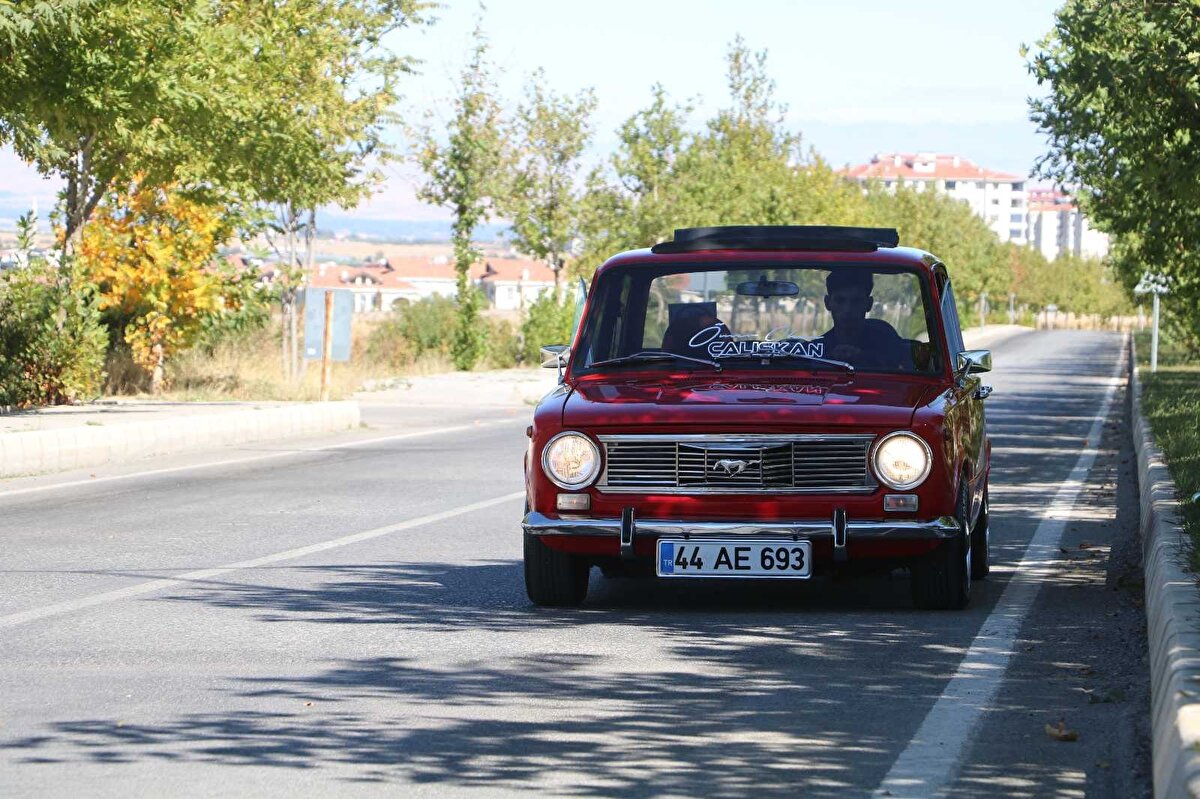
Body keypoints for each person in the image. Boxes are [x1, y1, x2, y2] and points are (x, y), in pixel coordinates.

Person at [814, 270, 909, 370]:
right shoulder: (815, 351)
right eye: (840, 301)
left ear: (869, 304)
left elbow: (902, 366)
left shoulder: (886, 339)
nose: (847, 309)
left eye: (856, 301)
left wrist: (863, 357)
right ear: (827, 303)